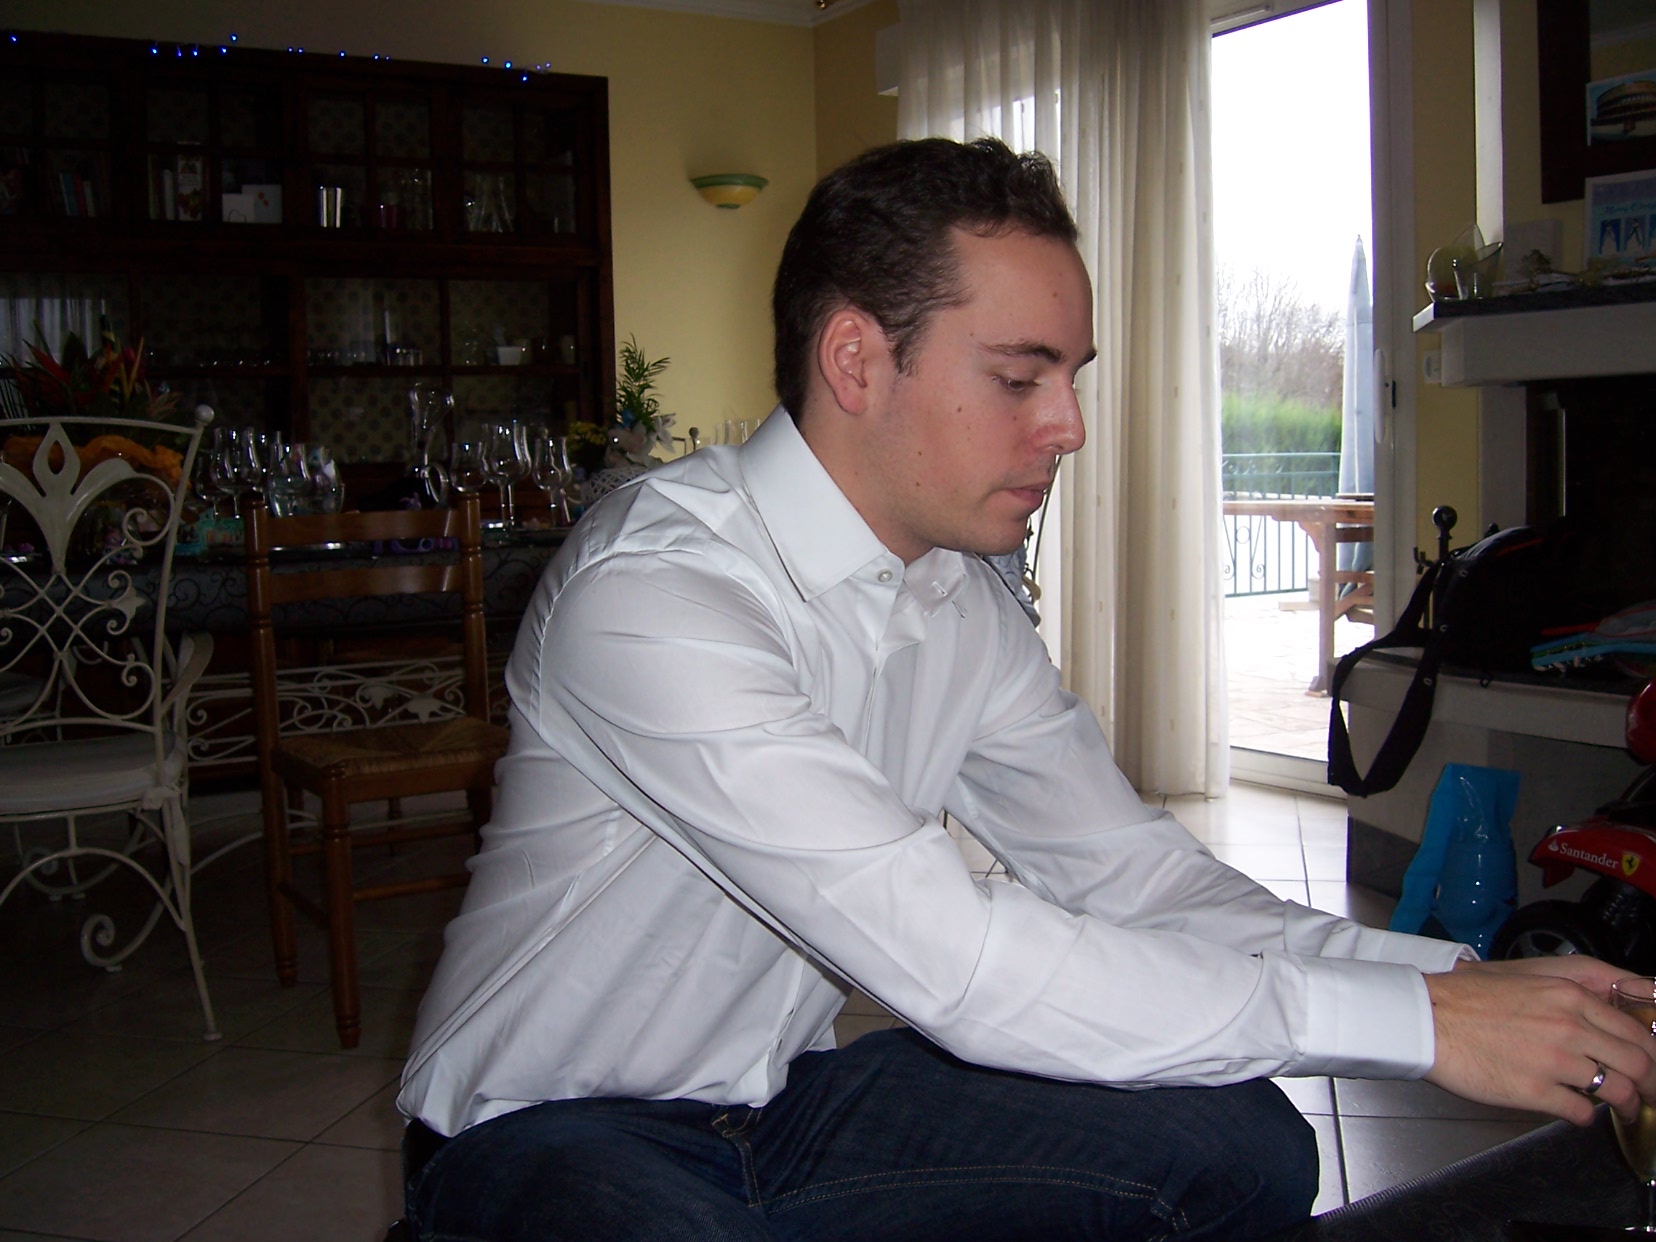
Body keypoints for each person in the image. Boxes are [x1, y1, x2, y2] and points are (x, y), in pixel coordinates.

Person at [398, 137, 1656, 1242]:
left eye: (1074, 375)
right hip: (540, 1135)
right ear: (855, 360)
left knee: (1244, 1145)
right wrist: (1423, 1031)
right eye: (1020, 376)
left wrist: (1446, 984)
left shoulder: (957, 599)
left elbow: (1139, 883)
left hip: (776, 1106)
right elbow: (961, 960)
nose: (1070, 426)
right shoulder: (656, 593)